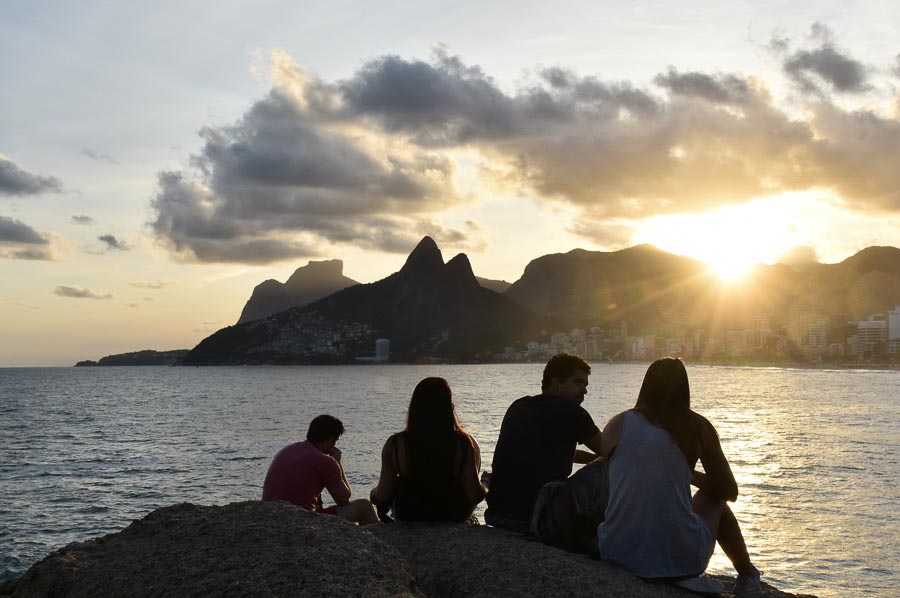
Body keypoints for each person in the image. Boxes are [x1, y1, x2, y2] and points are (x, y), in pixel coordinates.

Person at [596, 358, 762, 596]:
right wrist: (689, 473)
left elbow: (620, 473)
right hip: (682, 563)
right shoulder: (696, 427)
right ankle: (748, 576)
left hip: (616, 553)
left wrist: (681, 471)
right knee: (713, 498)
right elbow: (728, 491)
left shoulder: (617, 423)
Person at [485, 353, 603, 532]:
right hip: (538, 520)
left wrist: (593, 459)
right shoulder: (571, 411)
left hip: (498, 514)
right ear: (556, 383)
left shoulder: (518, 406)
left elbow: (543, 453)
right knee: (611, 465)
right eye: (578, 383)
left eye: (585, 385)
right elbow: (612, 450)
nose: (585, 391)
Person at [370, 377, 485, 522]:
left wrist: (373, 493)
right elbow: (474, 495)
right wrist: (486, 484)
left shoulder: (395, 444)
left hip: (409, 515)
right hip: (452, 515)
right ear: (449, 407)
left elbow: (382, 497)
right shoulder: (463, 443)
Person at [262, 414, 378, 525]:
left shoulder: (287, 450)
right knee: (364, 506)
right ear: (330, 440)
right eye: (335, 441)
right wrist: (338, 463)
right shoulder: (324, 460)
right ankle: (376, 544)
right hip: (299, 520)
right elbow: (343, 499)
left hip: (269, 515)